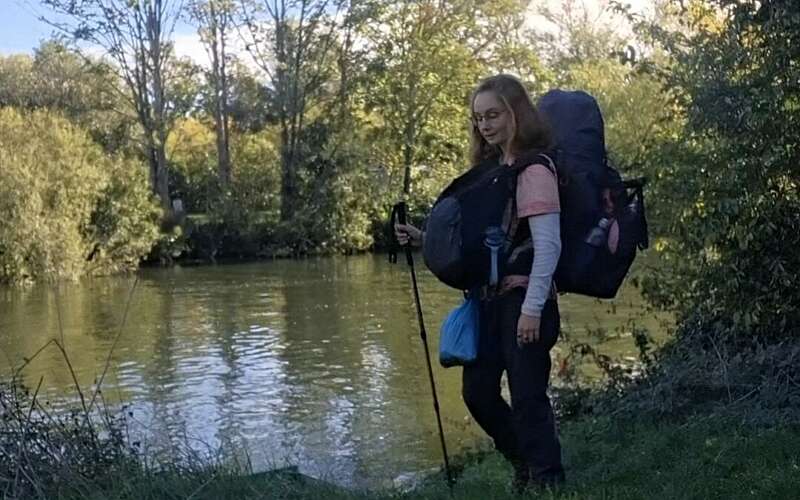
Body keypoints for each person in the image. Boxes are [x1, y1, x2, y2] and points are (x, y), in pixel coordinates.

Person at [395, 74, 565, 491]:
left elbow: (548, 247)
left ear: (516, 113)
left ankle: (549, 481)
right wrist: (422, 239)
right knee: (478, 394)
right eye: (478, 119)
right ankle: (524, 461)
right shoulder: (492, 170)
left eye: (493, 115)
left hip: (525, 298)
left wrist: (532, 309)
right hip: (487, 301)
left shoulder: (535, 170)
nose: (485, 126)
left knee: (527, 397)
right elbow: (484, 243)